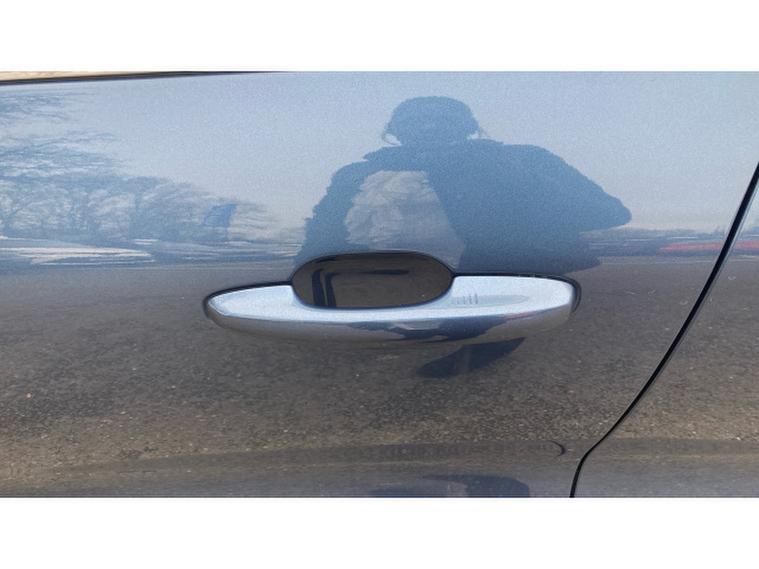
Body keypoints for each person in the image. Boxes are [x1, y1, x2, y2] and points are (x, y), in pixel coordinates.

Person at [298, 96, 631, 377]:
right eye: (415, 120)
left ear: (469, 127)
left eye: (444, 119)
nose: (429, 127)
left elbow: (609, 213)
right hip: (381, 282)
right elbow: (324, 228)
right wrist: (306, 287)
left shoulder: (521, 159)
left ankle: (486, 346)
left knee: (480, 334)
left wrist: (512, 173)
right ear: (394, 130)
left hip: (491, 281)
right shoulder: (357, 173)